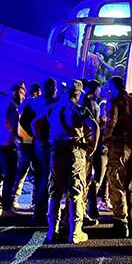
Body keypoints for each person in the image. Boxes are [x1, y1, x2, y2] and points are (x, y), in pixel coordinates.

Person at [42, 80, 97, 243]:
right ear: (78, 94)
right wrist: (92, 146)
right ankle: (75, 232)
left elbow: (35, 123)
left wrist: (43, 142)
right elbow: (95, 126)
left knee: (55, 192)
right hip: (74, 151)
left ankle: (53, 230)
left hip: (56, 150)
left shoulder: (52, 108)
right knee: (75, 191)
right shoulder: (79, 109)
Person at [103, 76, 132, 238]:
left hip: (120, 145)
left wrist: (106, 137)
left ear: (112, 87)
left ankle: (120, 221)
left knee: (116, 182)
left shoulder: (114, 100)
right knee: (129, 183)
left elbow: (111, 121)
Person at [20, 78, 58, 224]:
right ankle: (43, 212)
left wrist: (33, 135)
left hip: (37, 143)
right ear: (50, 88)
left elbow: (24, 121)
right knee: (47, 177)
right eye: (54, 86)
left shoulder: (33, 103)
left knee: (39, 176)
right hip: (47, 142)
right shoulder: (51, 103)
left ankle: (38, 210)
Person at [0, 82, 25, 217]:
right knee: (9, 176)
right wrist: (17, 136)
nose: (23, 96)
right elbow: (8, 121)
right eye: (22, 93)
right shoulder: (11, 105)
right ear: (14, 93)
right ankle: (6, 208)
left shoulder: (4, 102)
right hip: (5, 145)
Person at [81, 79, 106, 222]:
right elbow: (95, 126)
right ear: (95, 90)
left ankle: (85, 208)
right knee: (93, 178)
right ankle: (91, 208)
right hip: (92, 146)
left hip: (84, 146)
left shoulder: (82, 103)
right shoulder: (92, 105)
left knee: (86, 178)